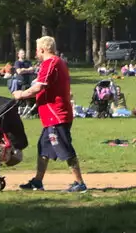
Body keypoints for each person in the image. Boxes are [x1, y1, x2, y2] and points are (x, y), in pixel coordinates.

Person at [13, 35, 87, 192]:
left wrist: (21, 94)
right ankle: (38, 181)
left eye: (36, 49)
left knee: (65, 148)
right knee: (43, 148)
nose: (35, 53)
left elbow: (39, 87)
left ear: (42, 49)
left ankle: (79, 183)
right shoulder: (58, 62)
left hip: (56, 115)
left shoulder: (50, 63)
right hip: (51, 115)